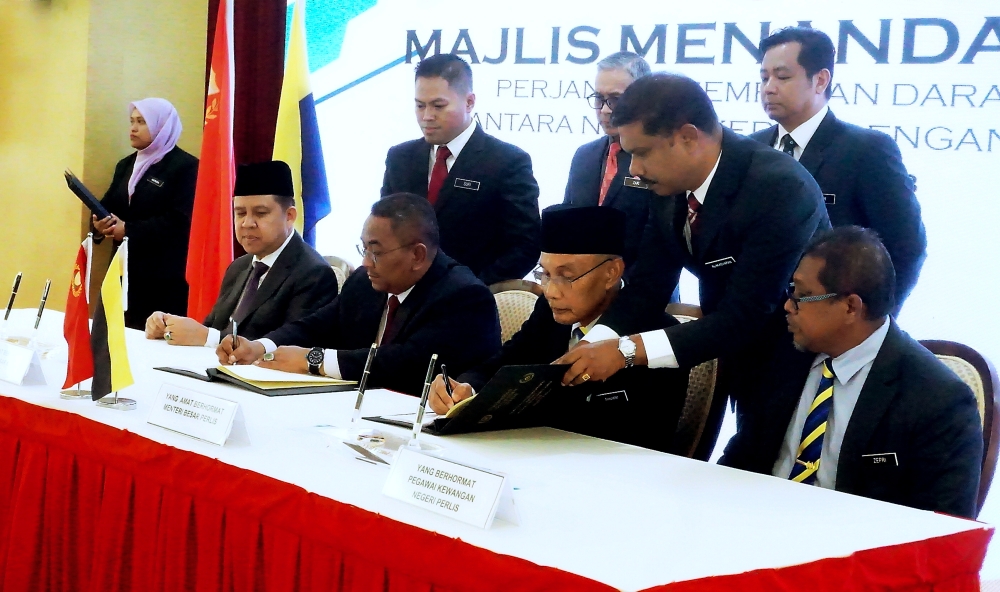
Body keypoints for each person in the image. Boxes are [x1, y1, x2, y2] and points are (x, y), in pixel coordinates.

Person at [554, 73, 830, 459]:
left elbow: (745, 314)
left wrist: (627, 351)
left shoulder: (778, 188)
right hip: (739, 351)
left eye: (643, 152)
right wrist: (592, 344)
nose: (633, 169)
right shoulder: (669, 185)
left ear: (687, 137)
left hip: (803, 362)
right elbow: (650, 282)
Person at [720, 227, 981, 518]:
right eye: (791, 291)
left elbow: (944, 530)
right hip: (755, 526)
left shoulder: (937, 399)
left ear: (850, 307)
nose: (788, 306)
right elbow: (740, 459)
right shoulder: (781, 356)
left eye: (802, 296)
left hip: (855, 553)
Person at [429, 206, 688, 453]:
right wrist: (465, 389)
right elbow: (501, 365)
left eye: (567, 276)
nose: (551, 291)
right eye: (545, 274)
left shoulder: (655, 337)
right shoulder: (549, 314)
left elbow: (645, 440)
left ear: (611, 273)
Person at [217, 193, 502, 397]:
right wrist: (261, 346)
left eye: (376, 252)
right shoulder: (366, 281)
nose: (366, 262)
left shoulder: (463, 297)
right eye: (363, 249)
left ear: (417, 255)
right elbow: (318, 324)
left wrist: (313, 360)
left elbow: (404, 363)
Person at [751, 27, 926, 311]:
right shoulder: (751, 148)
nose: (769, 87)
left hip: (833, 324)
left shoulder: (867, 150)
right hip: (752, 322)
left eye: (782, 77)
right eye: (763, 77)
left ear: (820, 80)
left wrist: (874, 322)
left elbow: (906, 247)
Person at [381, 53, 541, 286]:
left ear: (469, 102)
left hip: (471, 300)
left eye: (438, 106)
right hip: (405, 293)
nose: (427, 116)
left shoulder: (506, 161)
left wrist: (473, 288)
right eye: (420, 105)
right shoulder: (400, 158)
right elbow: (386, 228)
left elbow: (526, 245)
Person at [144, 161, 338, 346]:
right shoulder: (239, 266)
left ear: (289, 216)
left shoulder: (313, 274)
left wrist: (207, 337)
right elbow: (212, 327)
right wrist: (169, 326)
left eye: (261, 213)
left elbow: (286, 348)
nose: (247, 223)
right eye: (240, 213)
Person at [92, 98, 198, 330]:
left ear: (162, 126)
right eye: (132, 121)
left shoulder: (186, 167)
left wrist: (128, 230)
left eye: (141, 122)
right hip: (122, 271)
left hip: (162, 277)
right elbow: (110, 204)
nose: (133, 128)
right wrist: (100, 225)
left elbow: (180, 222)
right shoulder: (126, 165)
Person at [563, 51, 653, 271]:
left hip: (640, 292)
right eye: (599, 99)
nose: (604, 110)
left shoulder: (658, 158)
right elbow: (566, 226)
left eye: (615, 100)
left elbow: (660, 246)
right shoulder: (584, 156)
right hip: (580, 290)